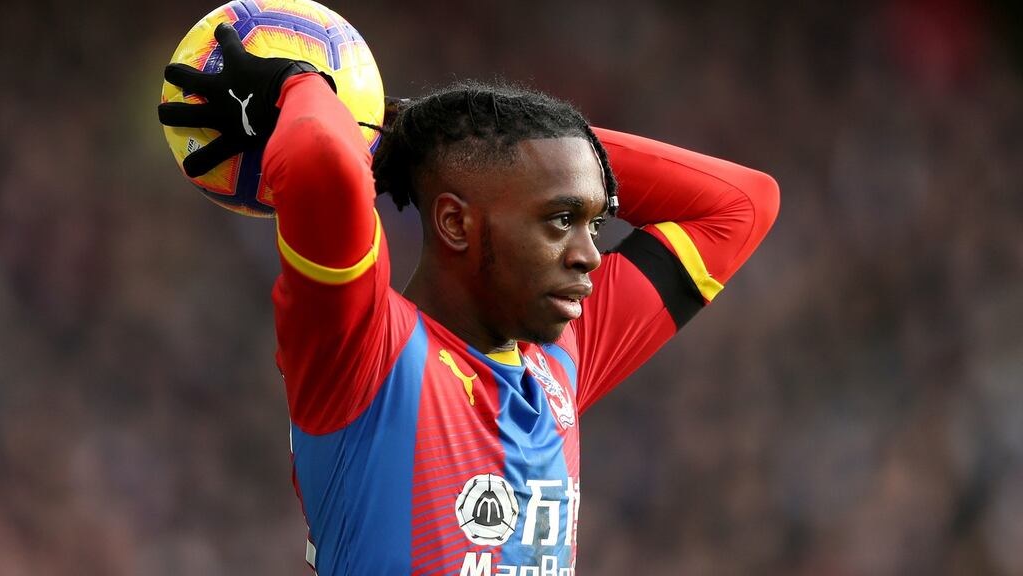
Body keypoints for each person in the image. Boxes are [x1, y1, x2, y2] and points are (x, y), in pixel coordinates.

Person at [159, 23, 779, 576]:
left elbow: (743, 203)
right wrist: (297, 87)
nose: (591, 254)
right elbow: (324, 161)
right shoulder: (363, 351)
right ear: (455, 223)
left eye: (596, 222)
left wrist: (452, 135)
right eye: (562, 219)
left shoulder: (562, 358)